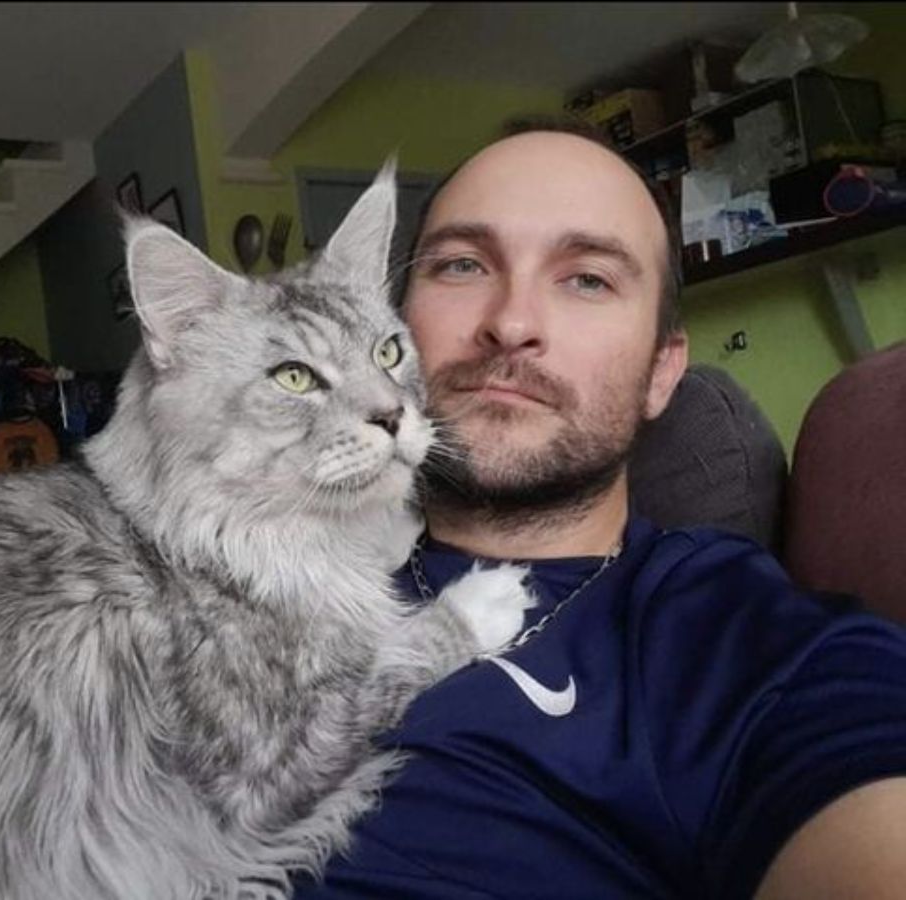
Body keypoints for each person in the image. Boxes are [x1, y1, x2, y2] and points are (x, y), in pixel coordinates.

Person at [294, 118, 906, 899]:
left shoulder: (738, 642)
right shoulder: (254, 552)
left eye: (588, 278)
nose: (510, 323)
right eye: (461, 264)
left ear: (661, 372)